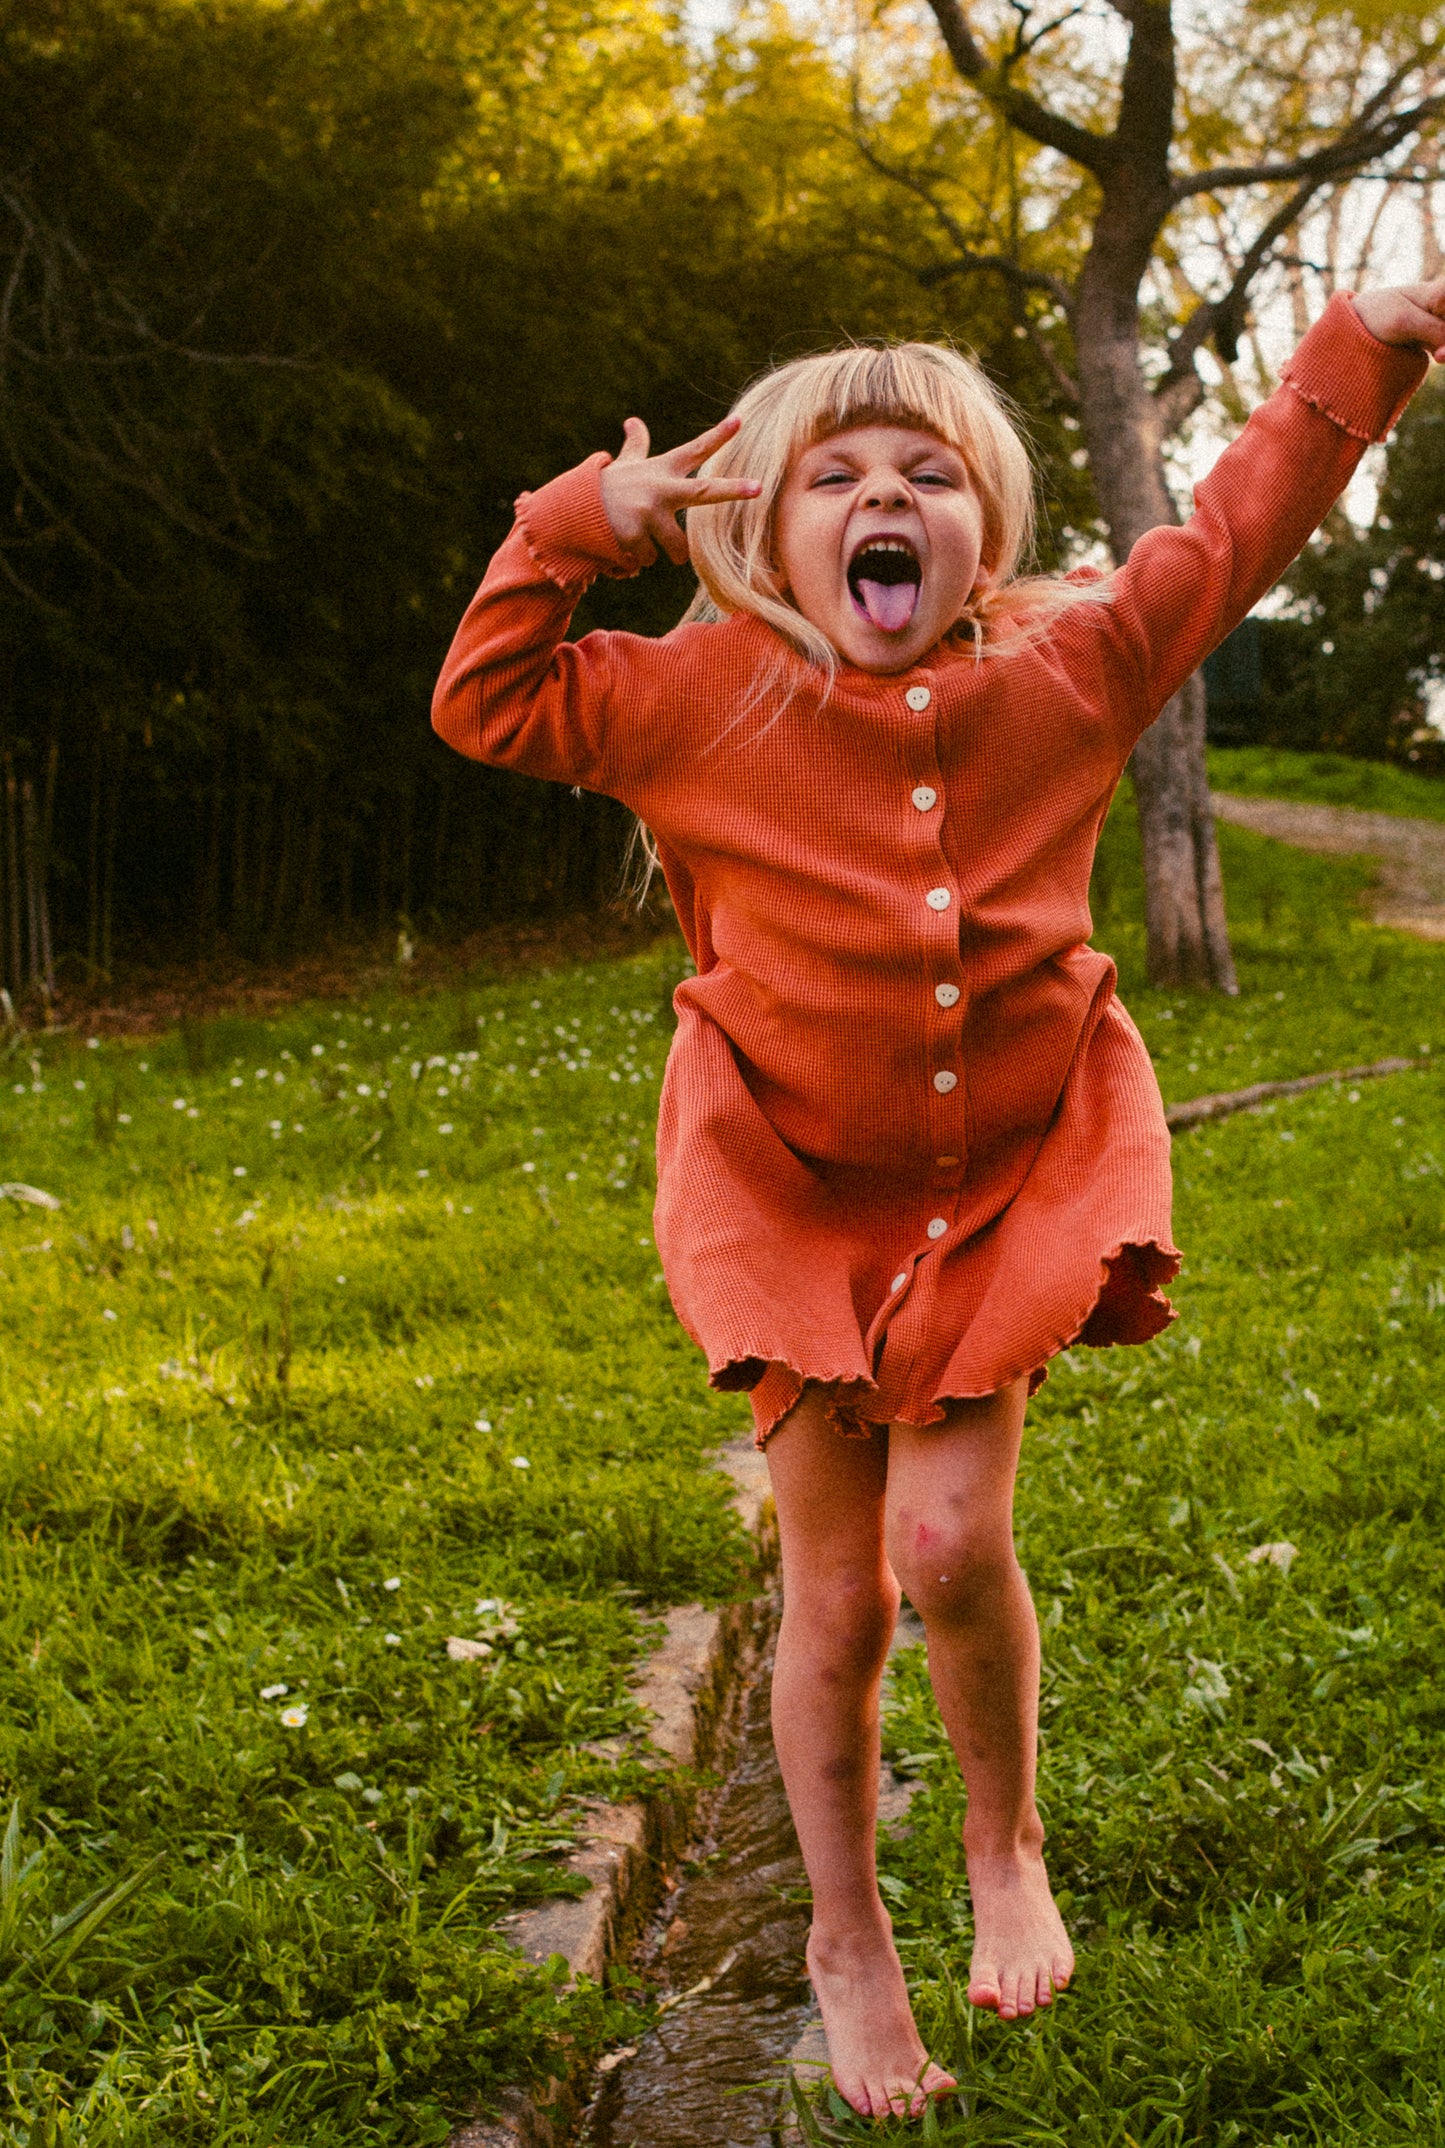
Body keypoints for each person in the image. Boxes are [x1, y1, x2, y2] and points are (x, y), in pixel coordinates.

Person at [432, 280, 1443, 2121]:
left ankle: (1000, 1839)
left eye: (925, 474)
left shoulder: (1068, 669)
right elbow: (484, 698)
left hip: (1000, 1185)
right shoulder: (694, 700)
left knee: (950, 1550)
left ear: (979, 525)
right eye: (830, 475)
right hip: (792, 1193)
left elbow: (1230, 533)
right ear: (761, 528)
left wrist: (1360, 345)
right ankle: (840, 1936)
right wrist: (579, 526)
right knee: (830, 1601)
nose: (879, 498)